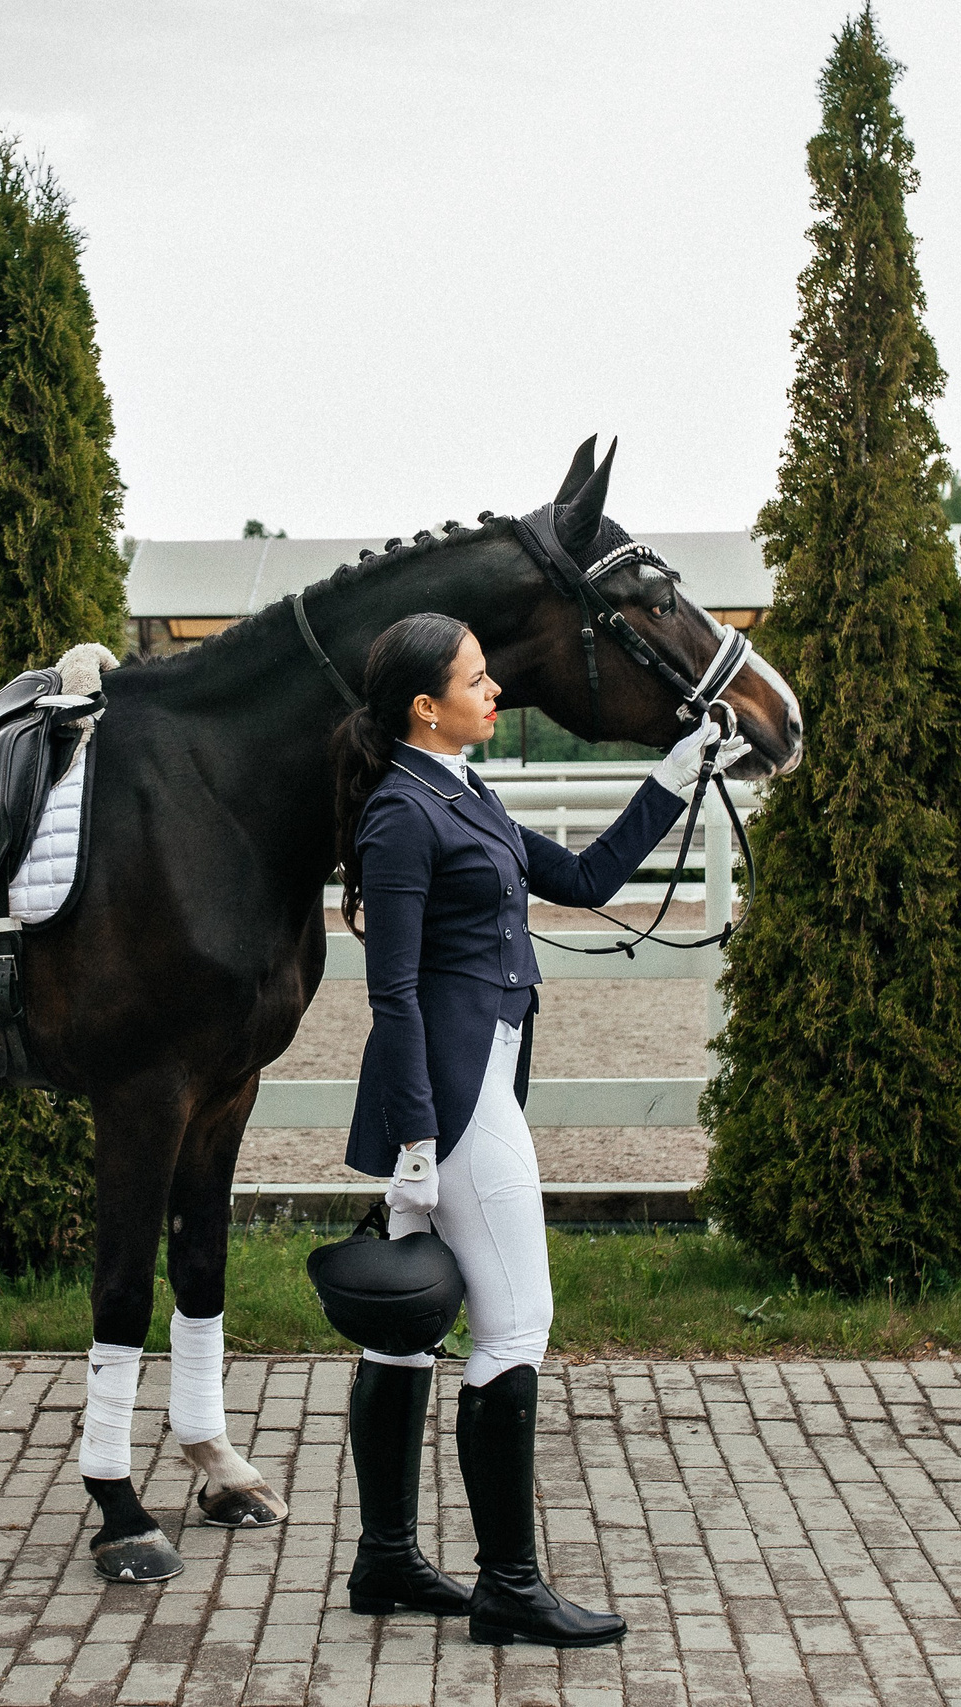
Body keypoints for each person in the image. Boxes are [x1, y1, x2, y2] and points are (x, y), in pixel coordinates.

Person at [335, 611, 743, 1648]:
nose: (495, 691)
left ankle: (384, 1562)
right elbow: (393, 995)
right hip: (454, 1097)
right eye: (477, 679)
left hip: (478, 1081)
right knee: (515, 1324)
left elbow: (587, 882)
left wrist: (682, 769)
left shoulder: (463, 794)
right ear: (426, 707)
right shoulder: (400, 815)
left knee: (410, 1331)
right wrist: (421, 1145)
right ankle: (508, 1588)